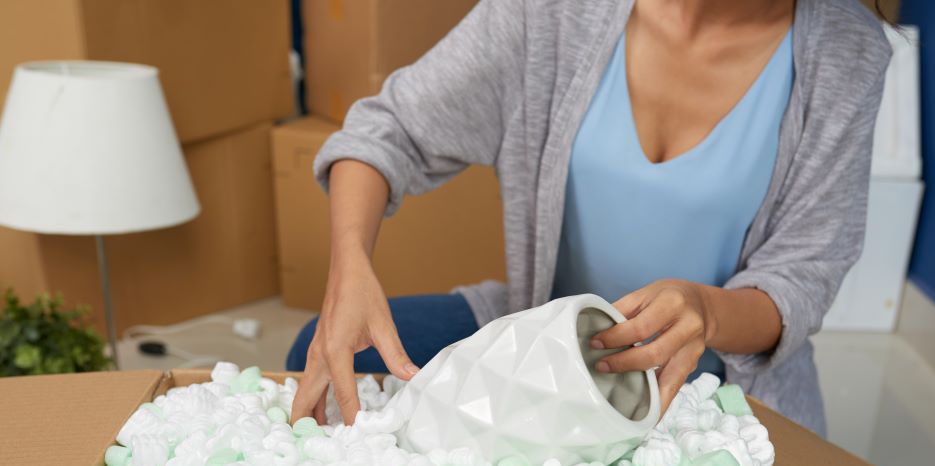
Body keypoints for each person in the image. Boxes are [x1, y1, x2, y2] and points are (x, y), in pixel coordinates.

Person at [288, 0, 891, 436]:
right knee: (328, 358)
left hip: (717, 387)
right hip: (542, 340)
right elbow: (385, 132)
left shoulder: (845, 50)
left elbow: (801, 279)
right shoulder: (554, 13)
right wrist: (350, 269)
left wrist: (705, 312)